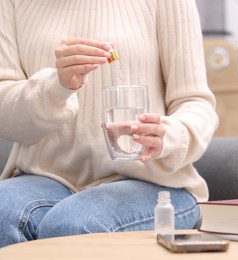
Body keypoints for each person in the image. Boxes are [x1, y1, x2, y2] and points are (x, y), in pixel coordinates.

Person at [0, 0, 218, 248]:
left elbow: (196, 102)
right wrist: (56, 87)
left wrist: (168, 136)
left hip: (154, 184)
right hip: (45, 177)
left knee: (73, 224)